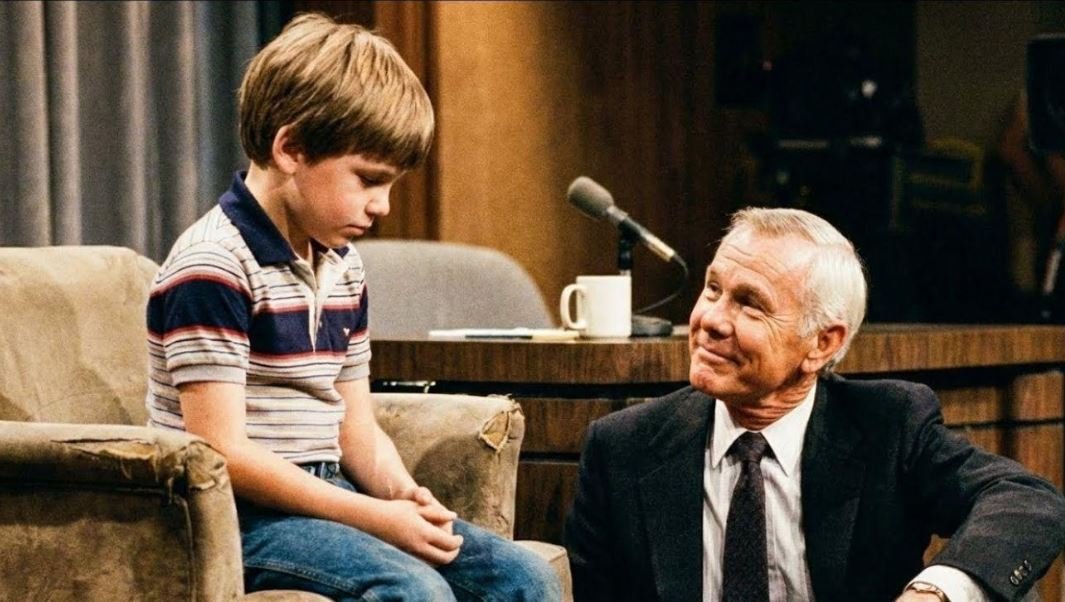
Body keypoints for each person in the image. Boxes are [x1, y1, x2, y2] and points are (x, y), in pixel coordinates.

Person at [145, 13, 560, 601]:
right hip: (234, 518)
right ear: (291, 148)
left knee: (524, 577)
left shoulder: (343, 264)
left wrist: (400, 493)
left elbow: (354, 426)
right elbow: (222, 455)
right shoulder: (213, 264)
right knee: (414, 590)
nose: (382, 206)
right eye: (367, 180)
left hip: (326, 492)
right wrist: (372, 518)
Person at [564, 207, 1065, 601]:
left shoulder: (887, 426)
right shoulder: (623, 448)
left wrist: (934, 592)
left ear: (822, 344)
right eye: (713, 289)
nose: (711, 319)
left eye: (749, 303)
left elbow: (1026, 499)